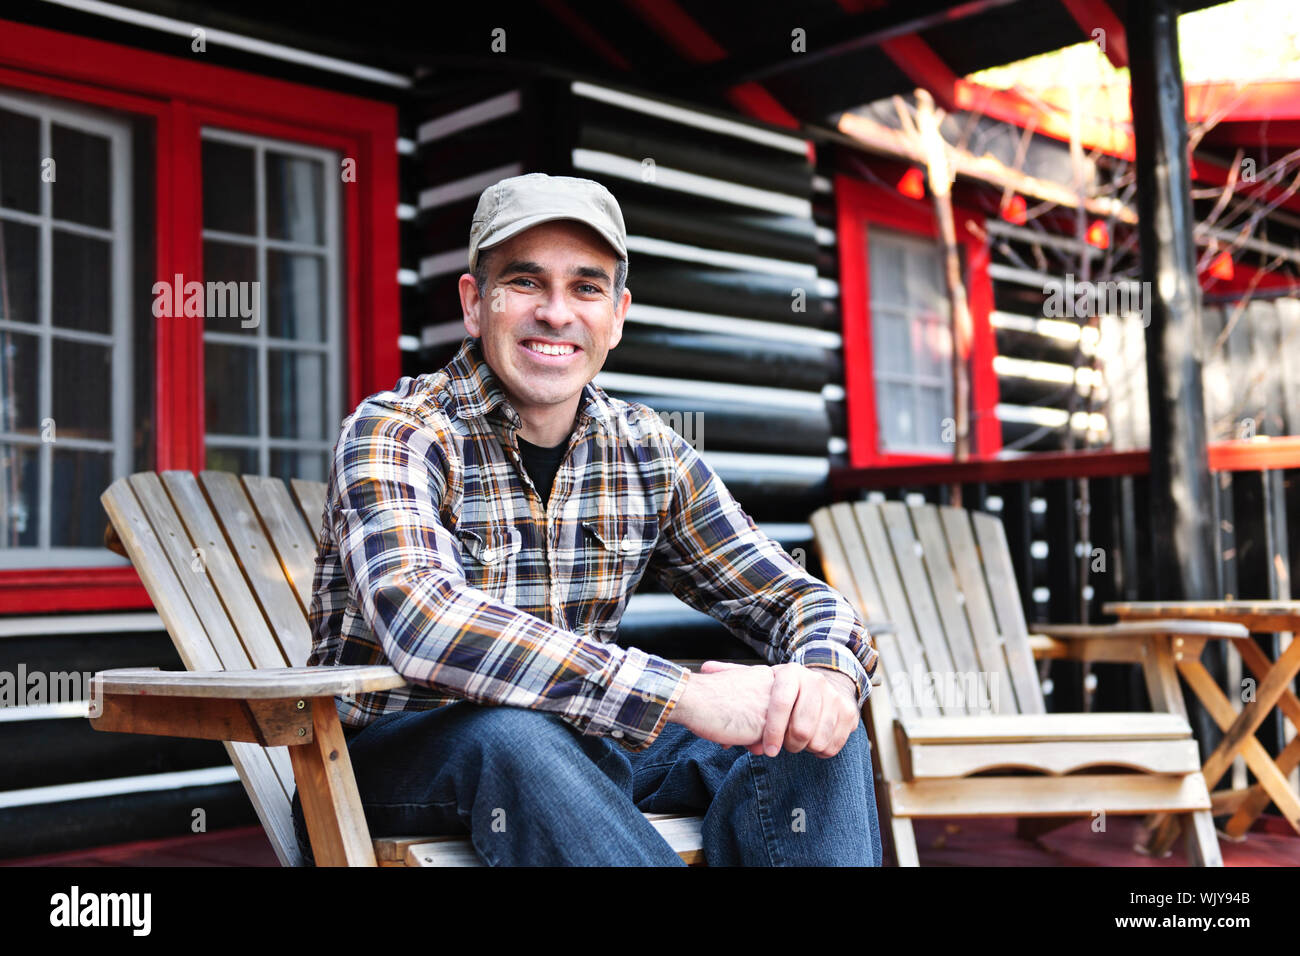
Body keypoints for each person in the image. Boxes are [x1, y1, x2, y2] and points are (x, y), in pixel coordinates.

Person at [291, 172, 883, 866]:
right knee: (515, 737)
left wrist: (825, 677)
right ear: (474, 303)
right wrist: (685, 695)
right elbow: (424, 622)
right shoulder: (398, 431)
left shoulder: (646, 451)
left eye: (586, 287)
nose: (555, 312)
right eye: (524, 282)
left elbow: (798, 597)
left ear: (617, 315)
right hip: (387, 764)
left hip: (582, 748)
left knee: (811, 728)